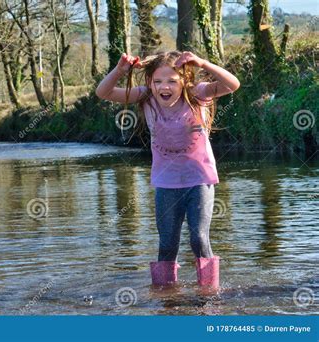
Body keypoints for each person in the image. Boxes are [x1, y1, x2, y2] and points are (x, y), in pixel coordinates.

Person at [95, 51, 240, 290]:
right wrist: (120, 70)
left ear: (184, 81)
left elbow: (232, 84)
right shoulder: (146, 97)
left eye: (172, 80)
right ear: (150, 82)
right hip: (166, 182)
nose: (164, 87)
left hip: (199, 179)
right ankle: (166, 297)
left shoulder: (197, 94)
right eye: (158, 81)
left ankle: (209, 293)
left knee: (199, 237)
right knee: (167, 243)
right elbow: (103, 93)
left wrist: (203, 63)